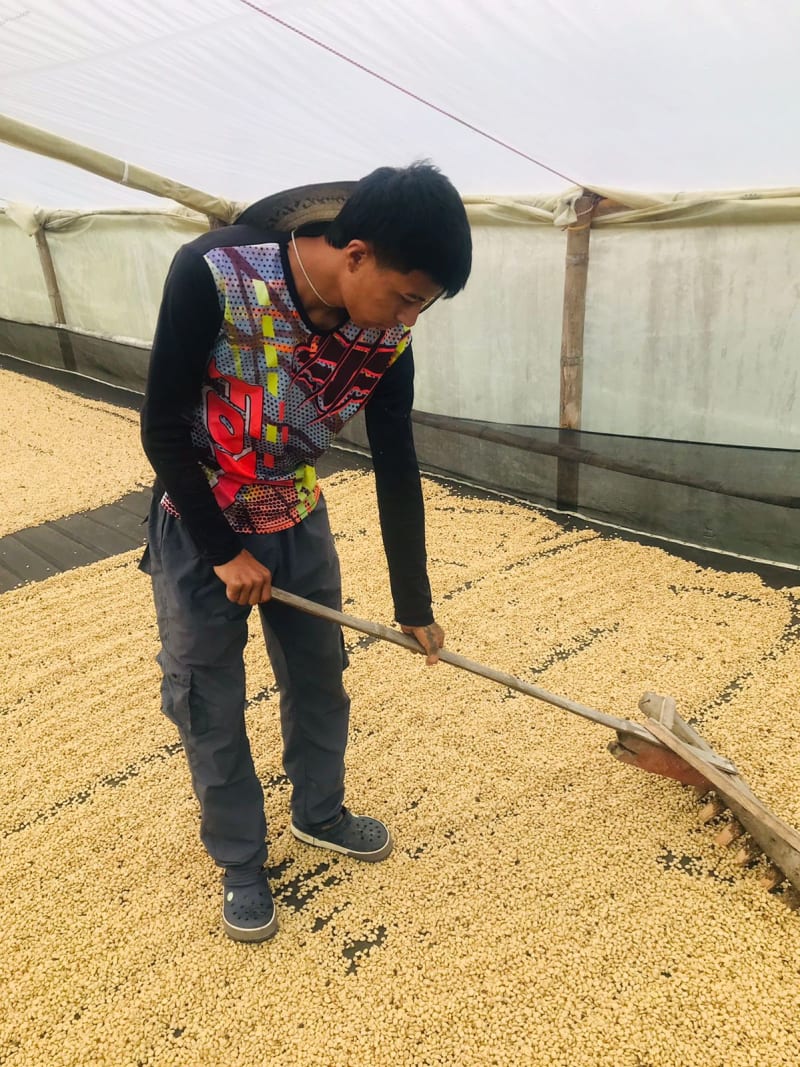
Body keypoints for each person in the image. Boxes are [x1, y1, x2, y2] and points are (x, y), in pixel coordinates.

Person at [139, 162, 472, 943]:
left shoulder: (385, 335)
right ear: (355, 255)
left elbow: (397, 459)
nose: (410, 318)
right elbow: (159, 426)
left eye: (424, 305)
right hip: (200, 524)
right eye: (407, 296)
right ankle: (241, 861)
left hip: (296, 515)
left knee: (321, 679)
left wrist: (414, 603)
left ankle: (320, 813)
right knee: (209, 700)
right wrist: (223, 552)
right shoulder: (215, 273)